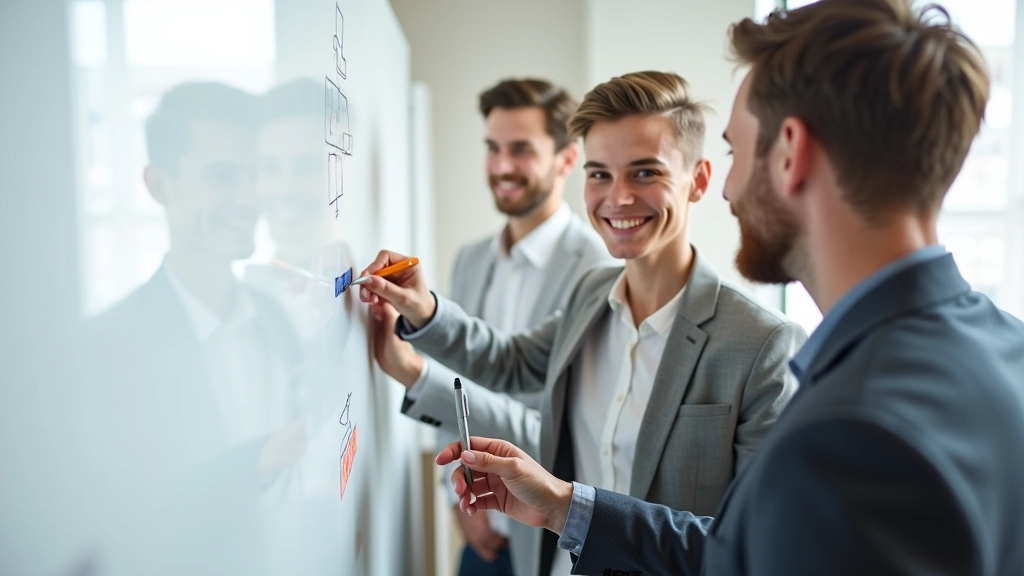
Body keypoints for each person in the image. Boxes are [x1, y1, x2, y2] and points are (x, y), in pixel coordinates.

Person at [437, 1, 1024, 574]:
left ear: (790, 153)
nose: (729, 192)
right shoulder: (1004, 346)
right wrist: (563, 506)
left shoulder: (845, 430)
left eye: (736, 150)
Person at [362, 71, 805, 575]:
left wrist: (566, 505)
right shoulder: (589, 295)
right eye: (599, 174)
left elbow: (758, 548)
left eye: (644, 173)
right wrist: (422, 307)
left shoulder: (763, 345)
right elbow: (510, 362)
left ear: (698, 180)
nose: (616, 198)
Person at [373, 78, 612, 576]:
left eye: (521, 149)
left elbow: (557, 430)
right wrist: (454, 500)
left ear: (567, 159)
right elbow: (460, 384)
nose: (502, 166)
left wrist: (415, 373)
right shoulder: (471, 260)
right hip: (477, 526)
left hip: (546, 538)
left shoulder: (598, 271)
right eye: (493, 148)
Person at [86, 82, 305, 575]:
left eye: (256, 174)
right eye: (222, 176)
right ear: (160, 185)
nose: (250, 198)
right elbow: (121, 520)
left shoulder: (277, 322)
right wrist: (252, 464)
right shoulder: (106, 348)